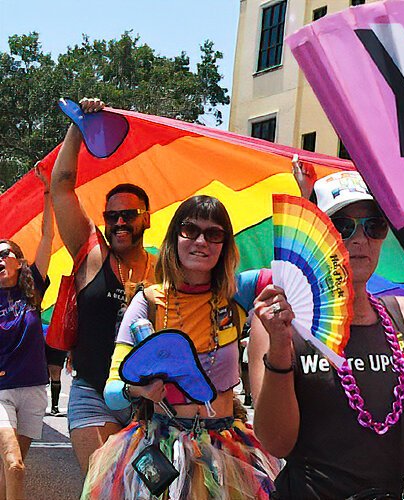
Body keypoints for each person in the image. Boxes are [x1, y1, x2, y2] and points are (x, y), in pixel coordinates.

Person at [81, 195, 278, 498]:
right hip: (162, 446)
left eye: (213, 234)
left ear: (224, 245)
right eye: (190, 230)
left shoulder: (238, 293)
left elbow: (298, 272)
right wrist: (140, 391)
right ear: (175, 237)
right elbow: (112, 393)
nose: (201, 241)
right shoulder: (148, 302)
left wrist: (305, 199)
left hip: (229, 451)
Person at [250, 171, 404, 499]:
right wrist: (279, 348)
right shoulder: (278, 323)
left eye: (374, 226)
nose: (360, 239)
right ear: (316, 234)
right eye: (343, 226)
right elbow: (276, 442)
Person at [49, 98, 156, 469]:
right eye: (112, 216)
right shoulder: (91, 253)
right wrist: (79, 125)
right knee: (104, 487)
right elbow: (61, 188)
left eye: (129, 214)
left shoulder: (165, 268)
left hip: (152, 399)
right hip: (93, 393)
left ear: (147, 219)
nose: (120, 222)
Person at [0, 189, 54, 500]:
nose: (0, 259)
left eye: (5, 253)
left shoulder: (32, 291)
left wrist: (47, 193)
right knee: (14, 465)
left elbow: (47, 236)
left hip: (34, 391)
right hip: (2, 392)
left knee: (8, 471)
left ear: (19, 262)